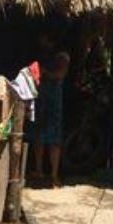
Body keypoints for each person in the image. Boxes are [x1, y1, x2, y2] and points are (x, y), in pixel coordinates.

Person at [31, 51, 69, 187]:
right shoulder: (43, 57)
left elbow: (60, 74)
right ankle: (39, 170)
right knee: (38, 136)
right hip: (42, 102)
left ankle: (54, 175)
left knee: (54, 140)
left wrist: (46, 73)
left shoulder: (62, 57)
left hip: (54, 105)